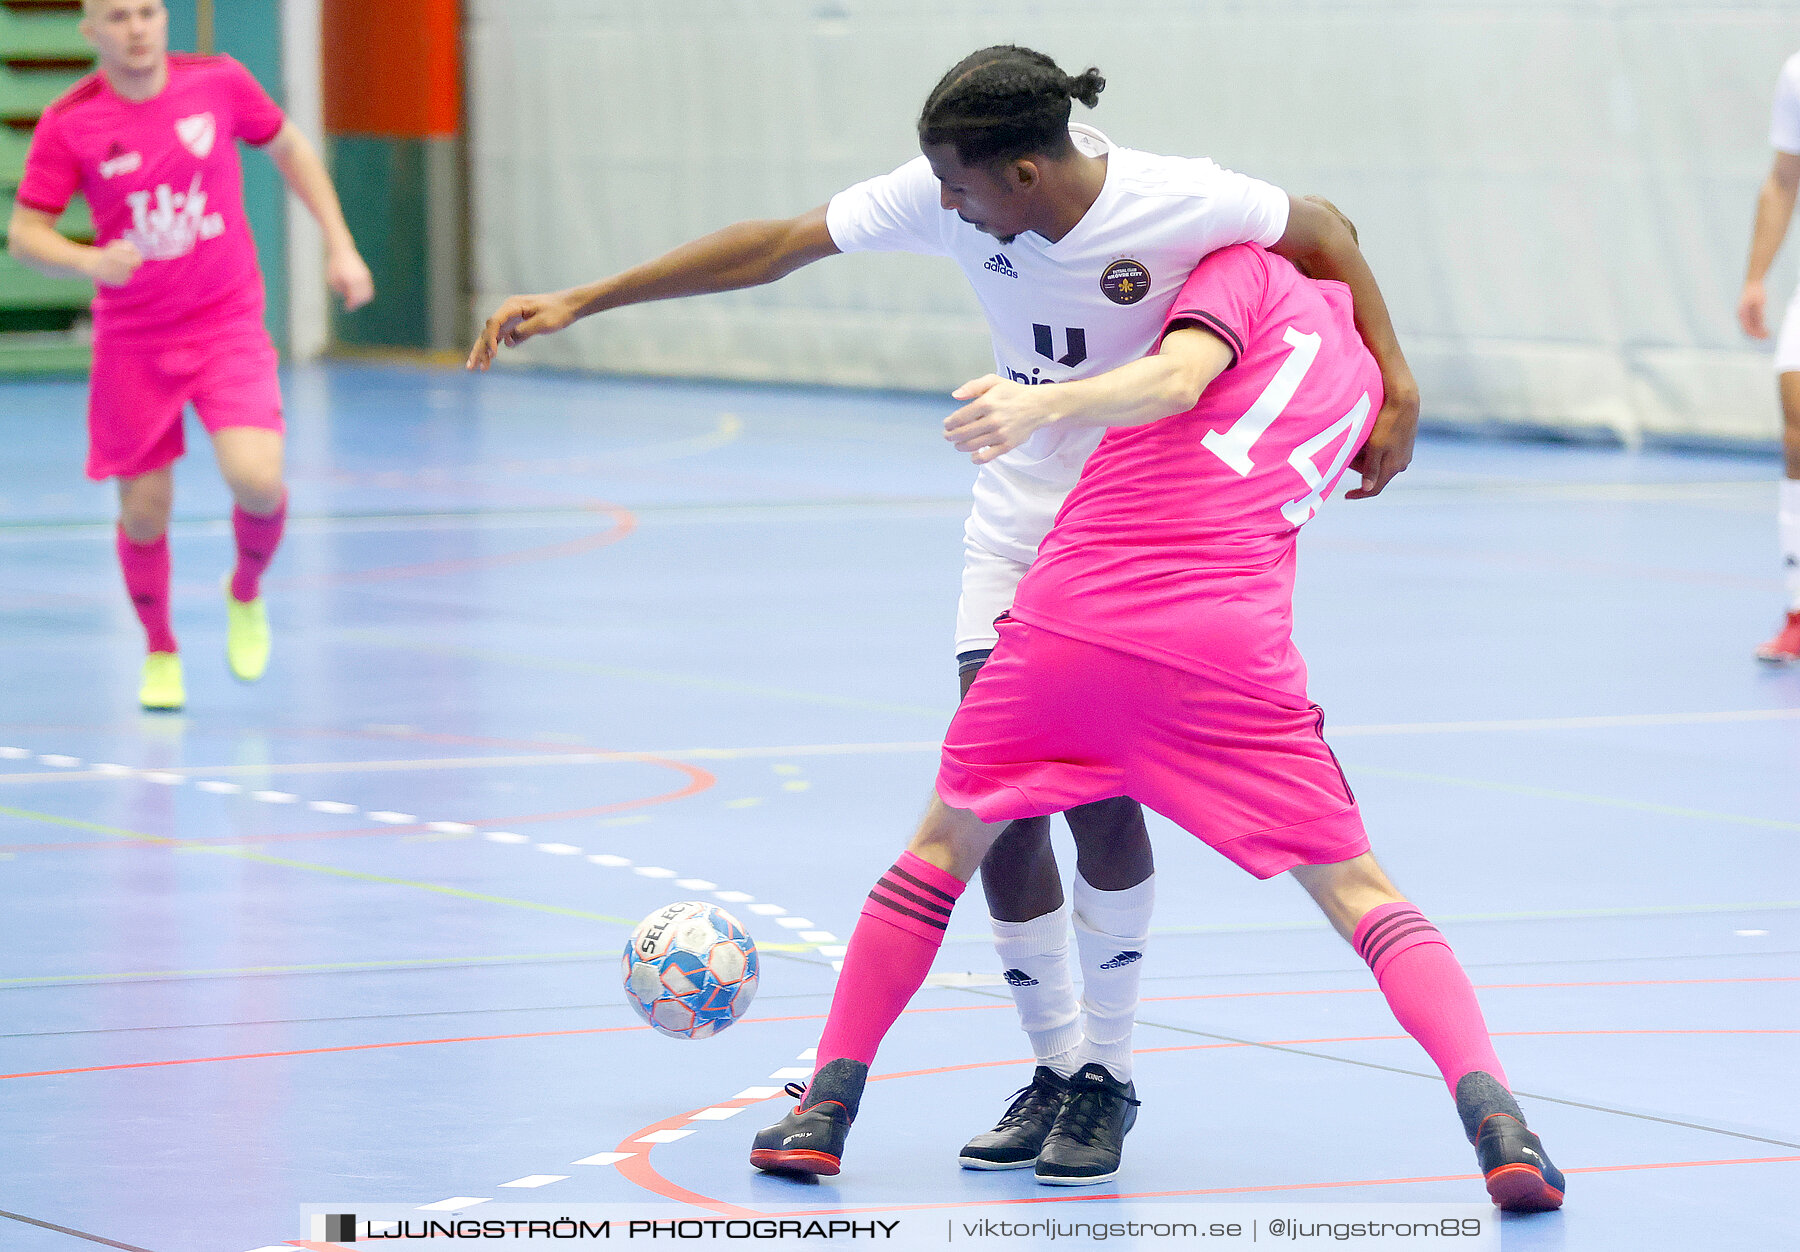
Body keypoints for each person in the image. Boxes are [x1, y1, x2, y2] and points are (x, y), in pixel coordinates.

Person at [468, 45, 1419, 1183]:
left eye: (963, 189)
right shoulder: (953, 191)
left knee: (1104, 810)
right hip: (1018, 528)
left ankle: (1110, 1078)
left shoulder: (1178, 199)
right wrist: (587, 297)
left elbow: (1321, 231)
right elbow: (777, 245)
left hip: (1139, 538)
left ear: (1025, 171)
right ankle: (1058, 1066)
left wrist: (1396, 380)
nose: (947, 208)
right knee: (1001, 806)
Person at [748, 237, 1566, 1213]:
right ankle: (1501, 1123)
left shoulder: (1245, 270)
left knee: (940, 846)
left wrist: (1042, 399)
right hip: (1231, 650)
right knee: (1361, 891)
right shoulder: (1360, 381)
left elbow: (1180, 378)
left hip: (1082, 611)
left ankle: (827, 1108)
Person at [6, 0, 374, 710]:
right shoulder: (70, 122)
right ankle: (160, 648)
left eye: (148, 11)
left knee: (257, 479)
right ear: (91, 32)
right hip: (134, 339)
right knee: (144, 512)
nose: (137, 28)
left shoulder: (220, 83)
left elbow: (292, 150)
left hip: (224, 322)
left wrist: (340, 243)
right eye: (117, 17)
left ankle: (244, 588)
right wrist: (87, 261)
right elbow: (26, 235)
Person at [1738, 48, 1800, 663]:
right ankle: (1798, 610)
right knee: (1796, 426)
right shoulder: (1796, 72)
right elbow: (1785, 177)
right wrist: (1757, 277)